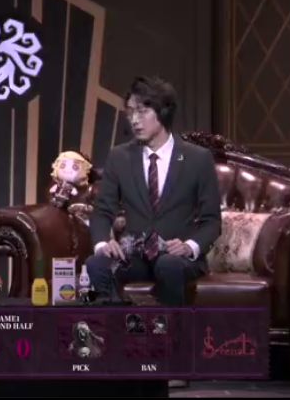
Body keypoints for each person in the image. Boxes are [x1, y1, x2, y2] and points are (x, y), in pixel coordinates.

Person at [86, 76, 221, 386]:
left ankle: (173, 362)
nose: (134, 120)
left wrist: (190, 246)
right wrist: (103, 243)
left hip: (176, 256)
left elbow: (212, 220)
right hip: (135, 252)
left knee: (169, 265)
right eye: (130, 112)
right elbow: (103, 211)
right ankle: (118, 352)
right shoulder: (120, 157)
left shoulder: (197, 159)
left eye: (142, 111)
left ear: (163, 112)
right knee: (97, 265)